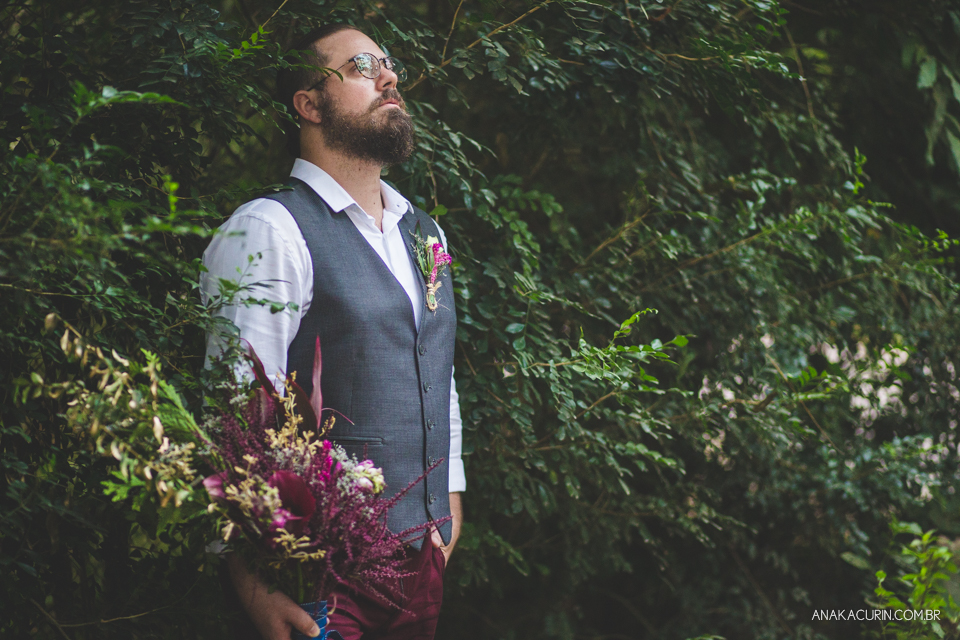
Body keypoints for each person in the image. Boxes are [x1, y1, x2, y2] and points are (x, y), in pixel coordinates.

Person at [201, 23, 464, 640]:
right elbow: (232, 414)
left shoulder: (423, 232)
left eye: (388, 65)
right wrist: (252, 580)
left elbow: (437, 372)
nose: (388, 76)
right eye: (361, 66)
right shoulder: (270, 229)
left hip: (424, 565)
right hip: (317, 579)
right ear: (309, 104)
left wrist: (449, 500)